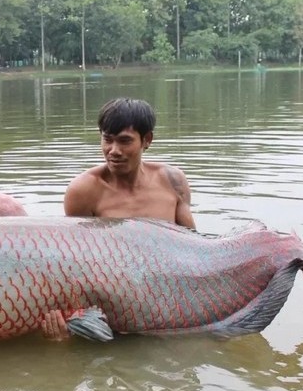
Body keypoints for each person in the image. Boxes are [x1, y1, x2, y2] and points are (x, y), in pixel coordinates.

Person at [42, 97, 196, 340]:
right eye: (107, 139)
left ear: (147, 141)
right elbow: (75, 266)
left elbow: (193, 248)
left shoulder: (172, 181)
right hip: (113, 305)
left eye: (125, 141)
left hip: (167, 298)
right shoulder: (84, 191)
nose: (113, 151)